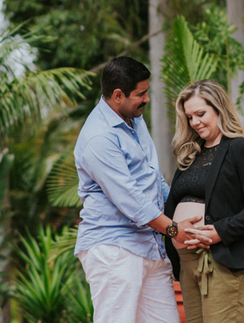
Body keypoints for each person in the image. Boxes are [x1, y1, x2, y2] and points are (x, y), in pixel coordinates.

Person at [73, 56, 197, 323]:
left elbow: (153, 180)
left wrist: (183, 209)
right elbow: (132, 201)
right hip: (114, 249)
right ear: (118, 95)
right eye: (141, 94)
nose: (147, 99)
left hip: (149, 245)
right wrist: (175, 229)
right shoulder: (99, 138)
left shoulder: (133, 120)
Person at [165, 80, 244, 323]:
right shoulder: (190, 155)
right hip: (187, 262)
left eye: (201, 114)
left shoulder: (242, 148)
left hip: (222, 260)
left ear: (219, 108)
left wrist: (220, 232)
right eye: (190, 117)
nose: (195, 122)